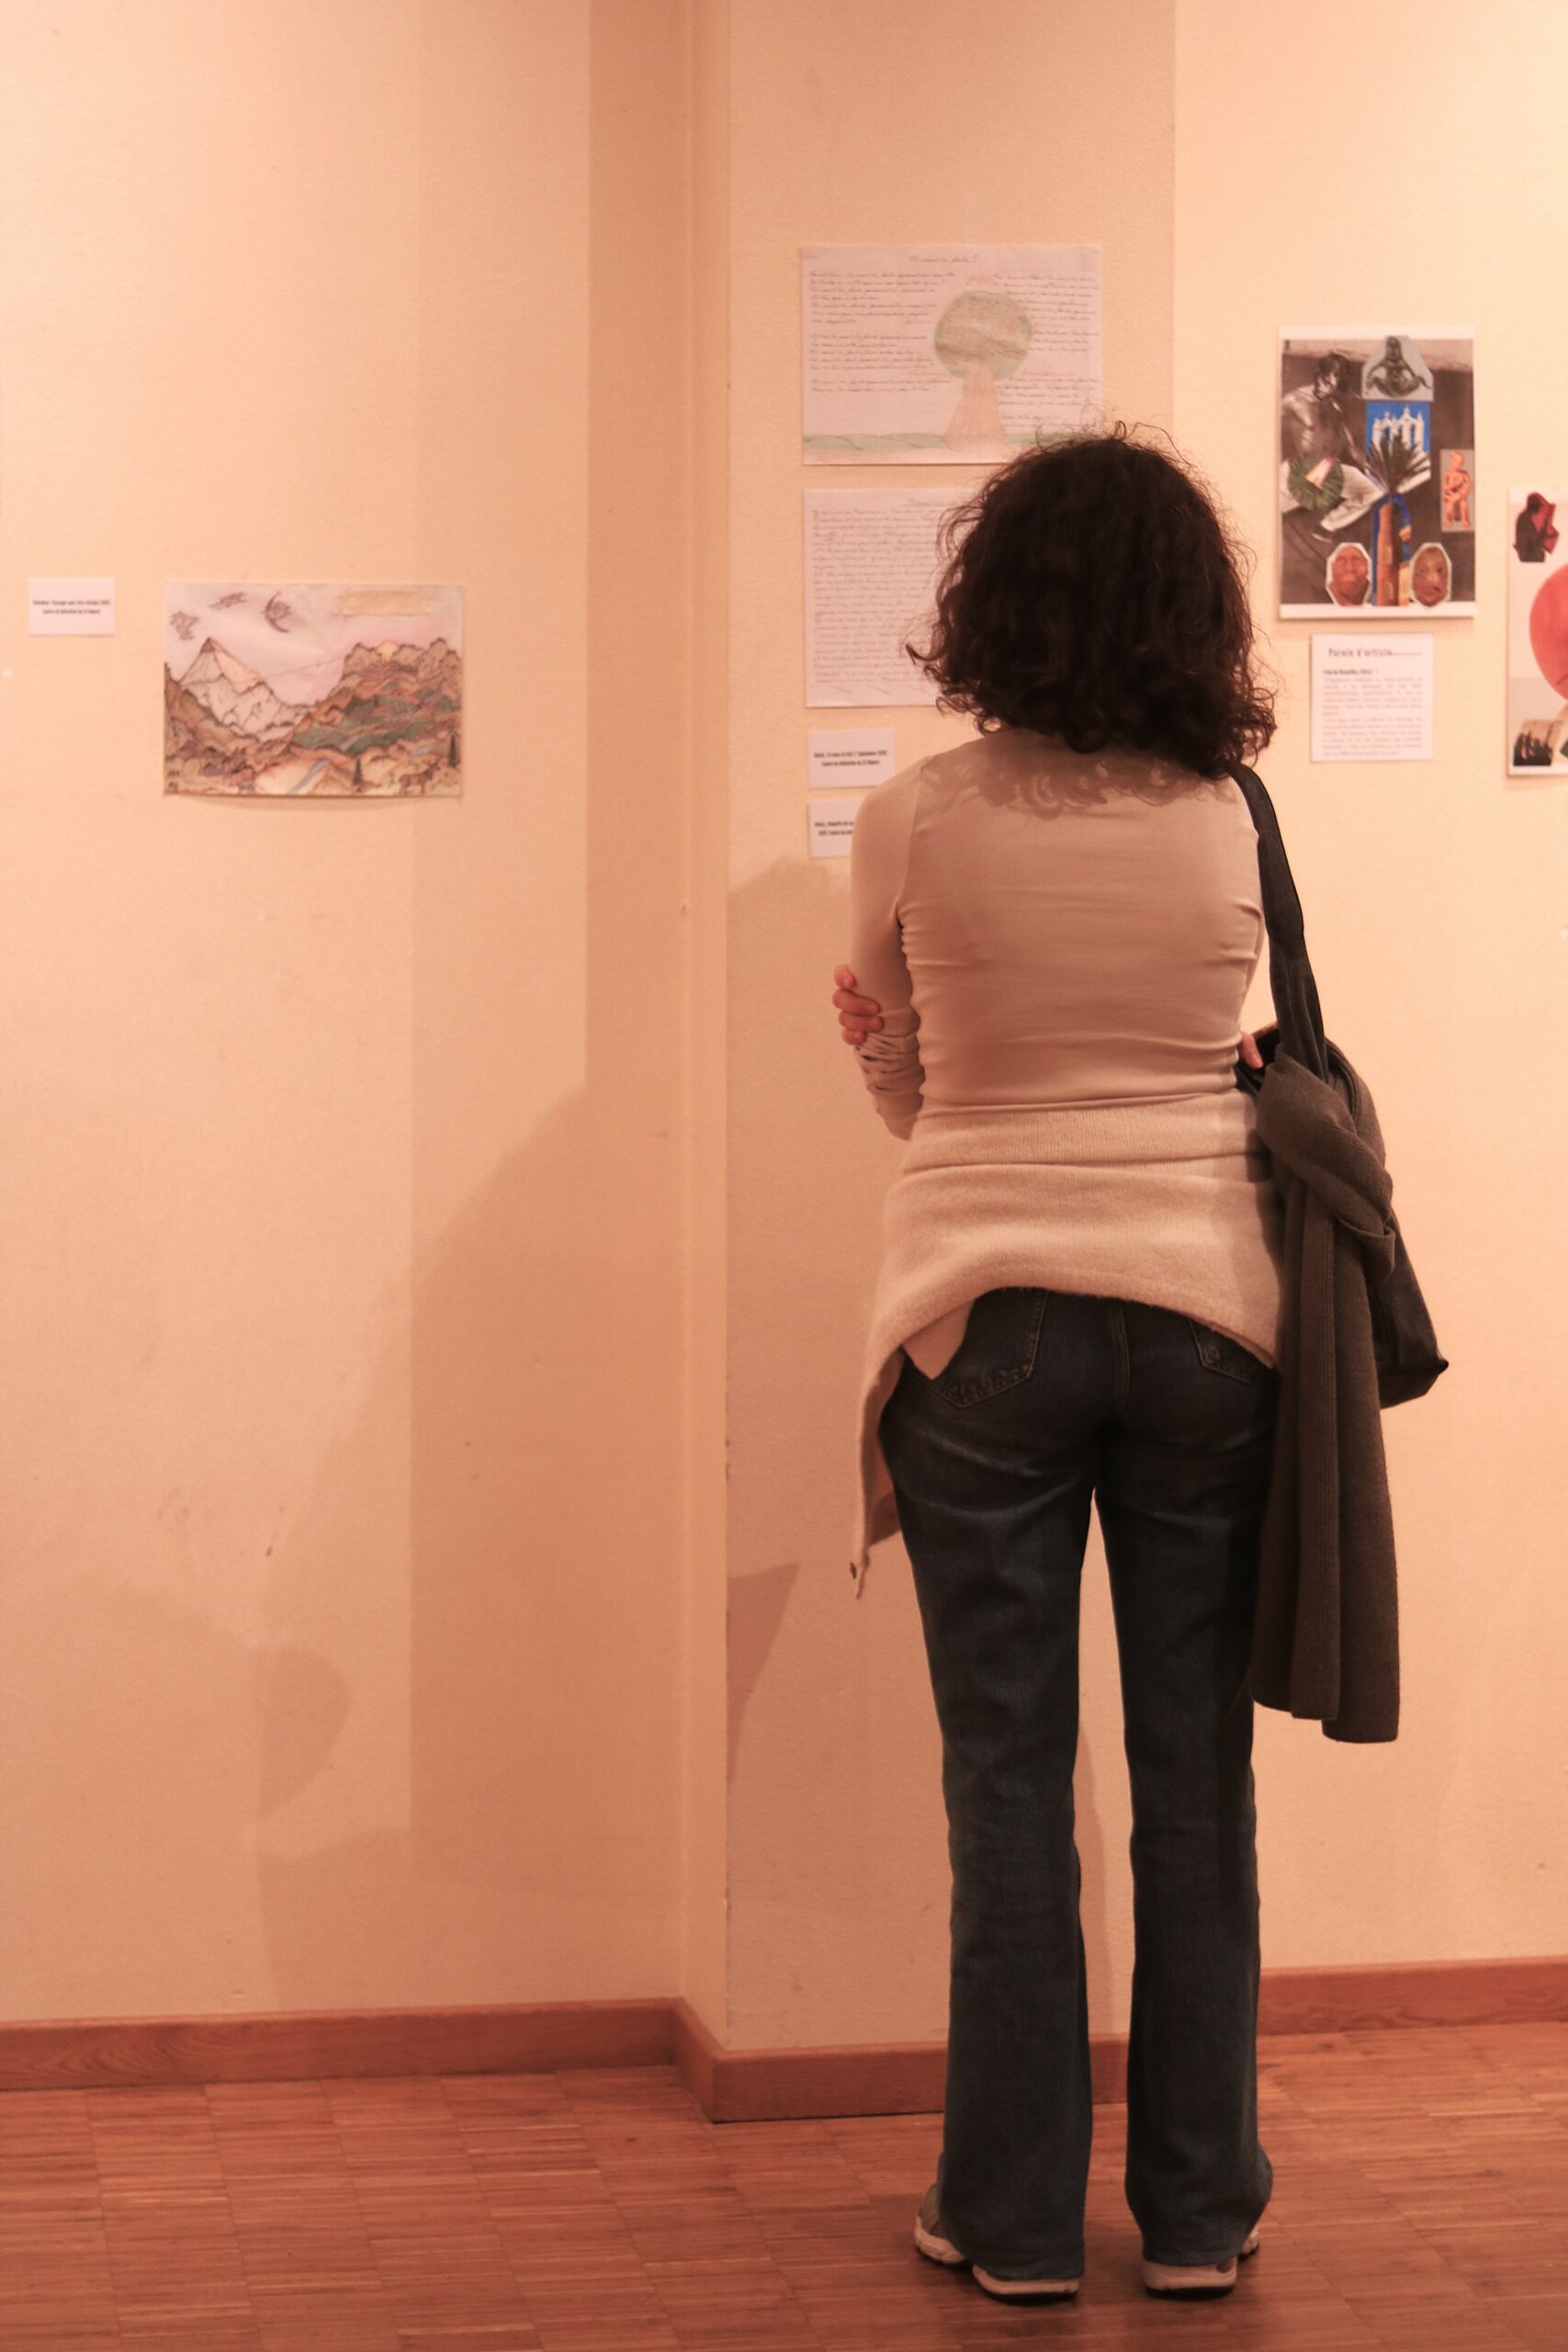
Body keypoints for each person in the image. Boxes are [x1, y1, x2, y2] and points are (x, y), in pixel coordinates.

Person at [831, 426, 1282, 2307]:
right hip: (1208, 1315)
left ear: (989, 599)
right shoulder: (1233, 815)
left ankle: (1012, 2221)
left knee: (1006, 1781)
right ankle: (1195, 2213)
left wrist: (964, 1113)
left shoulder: (916, 814)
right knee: (1195, 1780)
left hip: (984, 1308)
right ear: (1193, 608)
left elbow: (889, 1060)